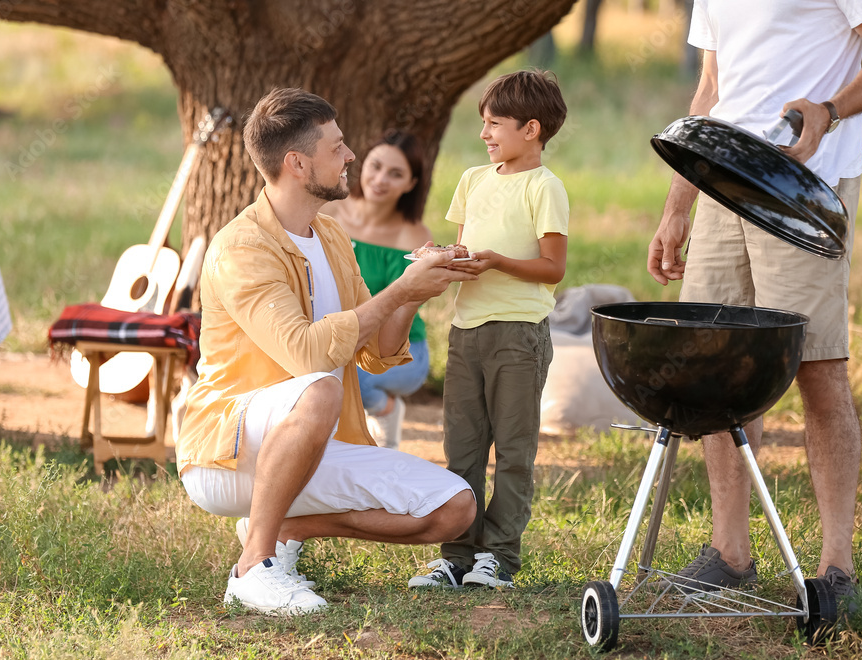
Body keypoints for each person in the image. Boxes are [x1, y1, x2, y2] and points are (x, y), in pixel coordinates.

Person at [176, 87, 479, 616]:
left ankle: (287, 527)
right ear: (297, 163)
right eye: (337, 146)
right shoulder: (241, 248)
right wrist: (400, 291)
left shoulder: (332, 236)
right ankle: (254, 567)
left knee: (454, 508)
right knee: (318, 388)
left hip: (311, 445)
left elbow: (378, 351)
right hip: (226, 453)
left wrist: (414, 290)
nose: (351, 157)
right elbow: (307, 355)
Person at [647, 1, 862, 609]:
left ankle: (836, 569)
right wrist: (677, 204)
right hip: (719, 181)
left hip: (800, 189)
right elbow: (711, 90)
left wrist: (830, 111)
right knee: (716, 364)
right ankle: (730, 554)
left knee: (816, 366)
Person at [408, 70, 569, 590]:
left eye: (495, 123)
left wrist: (498, 262)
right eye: (483, 123)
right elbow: (464, 246)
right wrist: (447, 259)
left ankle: (498, 556)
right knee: (464, 449)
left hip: (518, 335)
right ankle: (456, 556)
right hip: (466, 331)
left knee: (514, 451)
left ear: (531, 128)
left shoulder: (545, 187)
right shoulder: (474, 180)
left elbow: (552, 267)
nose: (485, 134)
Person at [321, 130, 433, 449]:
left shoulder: (413, 234)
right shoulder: (329, 212)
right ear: (361, 164)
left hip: (402, 350)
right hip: (339, 338)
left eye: (395, 174)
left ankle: (386, 411)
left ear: (411, 184)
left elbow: (405, 304)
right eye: (376, 166)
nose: (380, 179)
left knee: (349, 379)